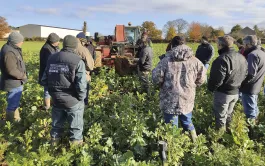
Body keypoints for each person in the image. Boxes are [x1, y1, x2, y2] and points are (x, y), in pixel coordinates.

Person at [152, 36, 206, 142]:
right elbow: (202, 79)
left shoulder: (165, 61)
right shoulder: (196, 61)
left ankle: (173, 147)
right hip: (187, 98)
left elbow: (156, 78)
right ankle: (195, 144)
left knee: (171, 125)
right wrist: (192, 86)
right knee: (187, 121)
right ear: (185, 44)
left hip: (169, 98)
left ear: (172, 45)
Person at [41, 35, 87, 145]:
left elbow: (44, 80)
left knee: (56, 125)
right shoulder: (78, 61)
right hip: (73, 100)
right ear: (75, 46)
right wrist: (81, 98)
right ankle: (75, 148)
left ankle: (54, 145)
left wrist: (54, 92)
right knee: (75, 128)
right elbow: (81, 85)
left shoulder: (51, 58)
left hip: (56, 99)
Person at [208, 35, 248, 130]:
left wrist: (211, 88)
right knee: (229, 115)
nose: (216, 45)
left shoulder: (222, 59)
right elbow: (246, 74)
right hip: (236, 92)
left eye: (217, 44)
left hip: (223, 94)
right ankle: (229, 132)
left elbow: (217, 79)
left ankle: (220, 137)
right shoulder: (241, 57)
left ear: (221, 45)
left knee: (221, 117)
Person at [0, 32, 27, 123]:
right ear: (16, 41)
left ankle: (16, 120)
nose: (22, 42)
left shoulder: (11, 48)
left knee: (14, 103)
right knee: (12, 104)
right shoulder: (9, 52)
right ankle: (10, 124)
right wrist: (23, 75)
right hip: (13, 83)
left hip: (15, 82)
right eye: (21, 41)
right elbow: (11, 70)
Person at [240, 35, 265, 125]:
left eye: (244, 44)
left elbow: (250, 74)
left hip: (249, 87)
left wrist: (241, 83)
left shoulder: (252, 55)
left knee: (250, 111)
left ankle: (252, 130)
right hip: (257, 85)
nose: (243, 46)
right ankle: (256, 123)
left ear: (248, 44)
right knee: (254, 107)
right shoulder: (261, 52)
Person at [39, 33, 60, 110]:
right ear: (52, 42)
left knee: (53, 90)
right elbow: (48, 63)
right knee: (47, 90)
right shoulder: (46, 49)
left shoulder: (55, 47)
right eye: (57, 41)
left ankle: (52, 105)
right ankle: (47, 107)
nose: (59, 42)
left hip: (54, 72)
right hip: (48, 73)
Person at [76, 32, 94, 106]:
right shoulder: (83, 50)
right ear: (82, 41)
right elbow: (90, 65)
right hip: (81, 74)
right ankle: (84, 105)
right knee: (84, 89)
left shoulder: (66, 48)